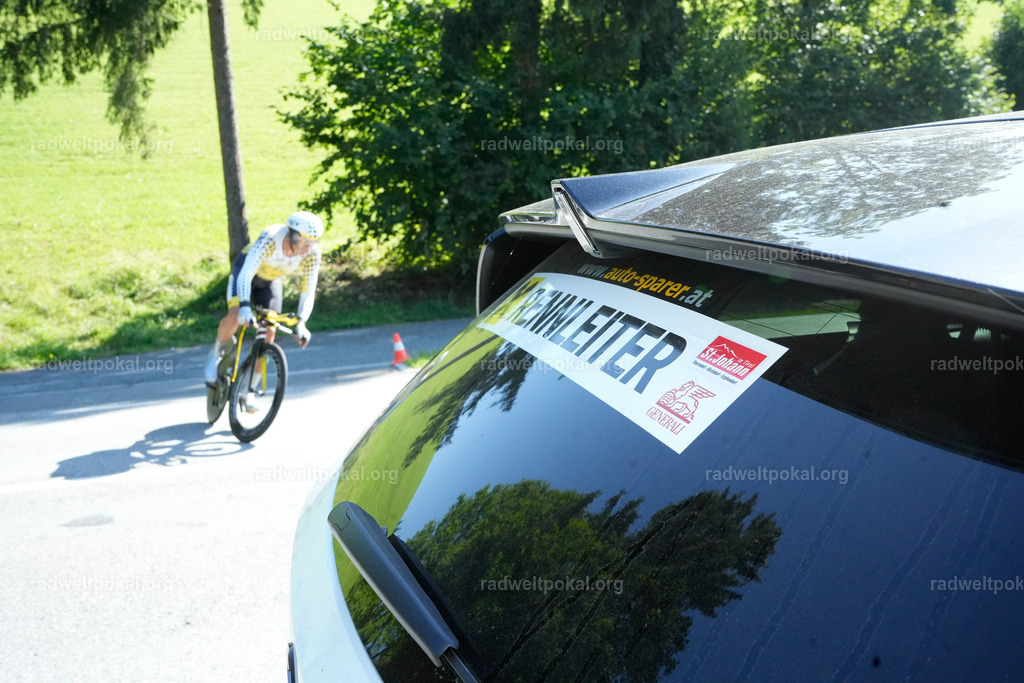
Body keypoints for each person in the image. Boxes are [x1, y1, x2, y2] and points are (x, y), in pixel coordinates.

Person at [204, 211, 324, 389]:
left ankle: (249, 390)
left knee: (269, 331)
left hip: (269, 282)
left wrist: (301, 322)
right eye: (303, 242)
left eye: (312, 243)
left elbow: (308, 290)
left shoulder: (312, 254)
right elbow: (246, 273)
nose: (307, 248)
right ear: (291, 234)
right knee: (236, 315)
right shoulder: (271, 237)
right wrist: (245, 306)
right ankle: (215, 357)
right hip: (245, 273)